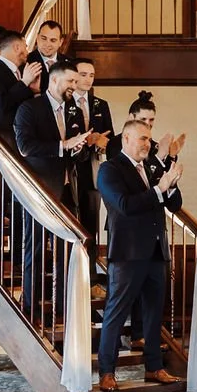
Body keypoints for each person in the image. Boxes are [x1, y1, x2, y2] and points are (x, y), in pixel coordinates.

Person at [95, 120, 185, 391]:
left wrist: (171, 184)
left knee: (154, 314)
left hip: (156, 250)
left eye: (149, 139)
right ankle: (107, 372)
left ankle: (154, 367)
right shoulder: (110, 169)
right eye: (142, 138)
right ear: (126, 139)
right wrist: (159, 189)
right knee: (116, 313)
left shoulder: (151, 168)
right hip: (128, 253)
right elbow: (125, 206)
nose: (148, 144)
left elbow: (174, 204)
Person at [13, 62, 90, 316]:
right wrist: (63, 145)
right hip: (40, 191)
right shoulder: (29, 108)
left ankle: (63, 309)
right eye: (71, 81)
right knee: (34, 249)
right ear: (54, 80)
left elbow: (78, 154)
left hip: (67, 189)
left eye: (76, 82)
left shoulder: (74, 111)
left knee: (66, 250)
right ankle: (30, 309)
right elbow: (25, 147)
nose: (74, 86)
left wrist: (78, 149)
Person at [0, 30, 40, 267]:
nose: (27, 52)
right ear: (16, 47)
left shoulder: (18, 73)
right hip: (0, 148)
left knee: (18, 206)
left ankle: (16, 260)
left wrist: (31, 90)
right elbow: (1, 105)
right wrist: (24, 84)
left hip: (20, 148)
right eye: (25, 47)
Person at [71, 57, 114, 288]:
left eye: (91, 75)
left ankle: (90, 273)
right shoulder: (66, 101)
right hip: (70, 166)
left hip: (93, 166)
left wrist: (100, 143)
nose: (88, 79)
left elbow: (109, 137)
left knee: (91, 218)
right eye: (83, 74)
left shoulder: (100, 105)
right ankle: (72, 270)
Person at [26, 21, 71, 95]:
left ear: (61, 42)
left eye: (53, 40)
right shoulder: (27, 61)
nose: (47, 44)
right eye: (44, 39)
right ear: (37, 38)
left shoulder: (68, 63)